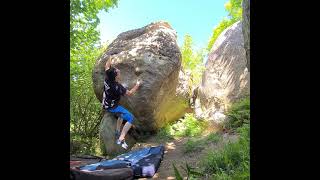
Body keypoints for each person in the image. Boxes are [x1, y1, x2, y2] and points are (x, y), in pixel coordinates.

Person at [102, 57, 141, 149]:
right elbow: (130, 93)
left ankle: (117, 132)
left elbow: (107, 65)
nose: (119, 71)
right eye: (118, 72)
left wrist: (110, 56)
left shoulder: (108, 77)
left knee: (121, 115)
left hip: (106, 104)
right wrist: (138, 84)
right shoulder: (117, 87)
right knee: (131, 118)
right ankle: (121, 138)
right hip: (112, 107)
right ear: (116, 76)